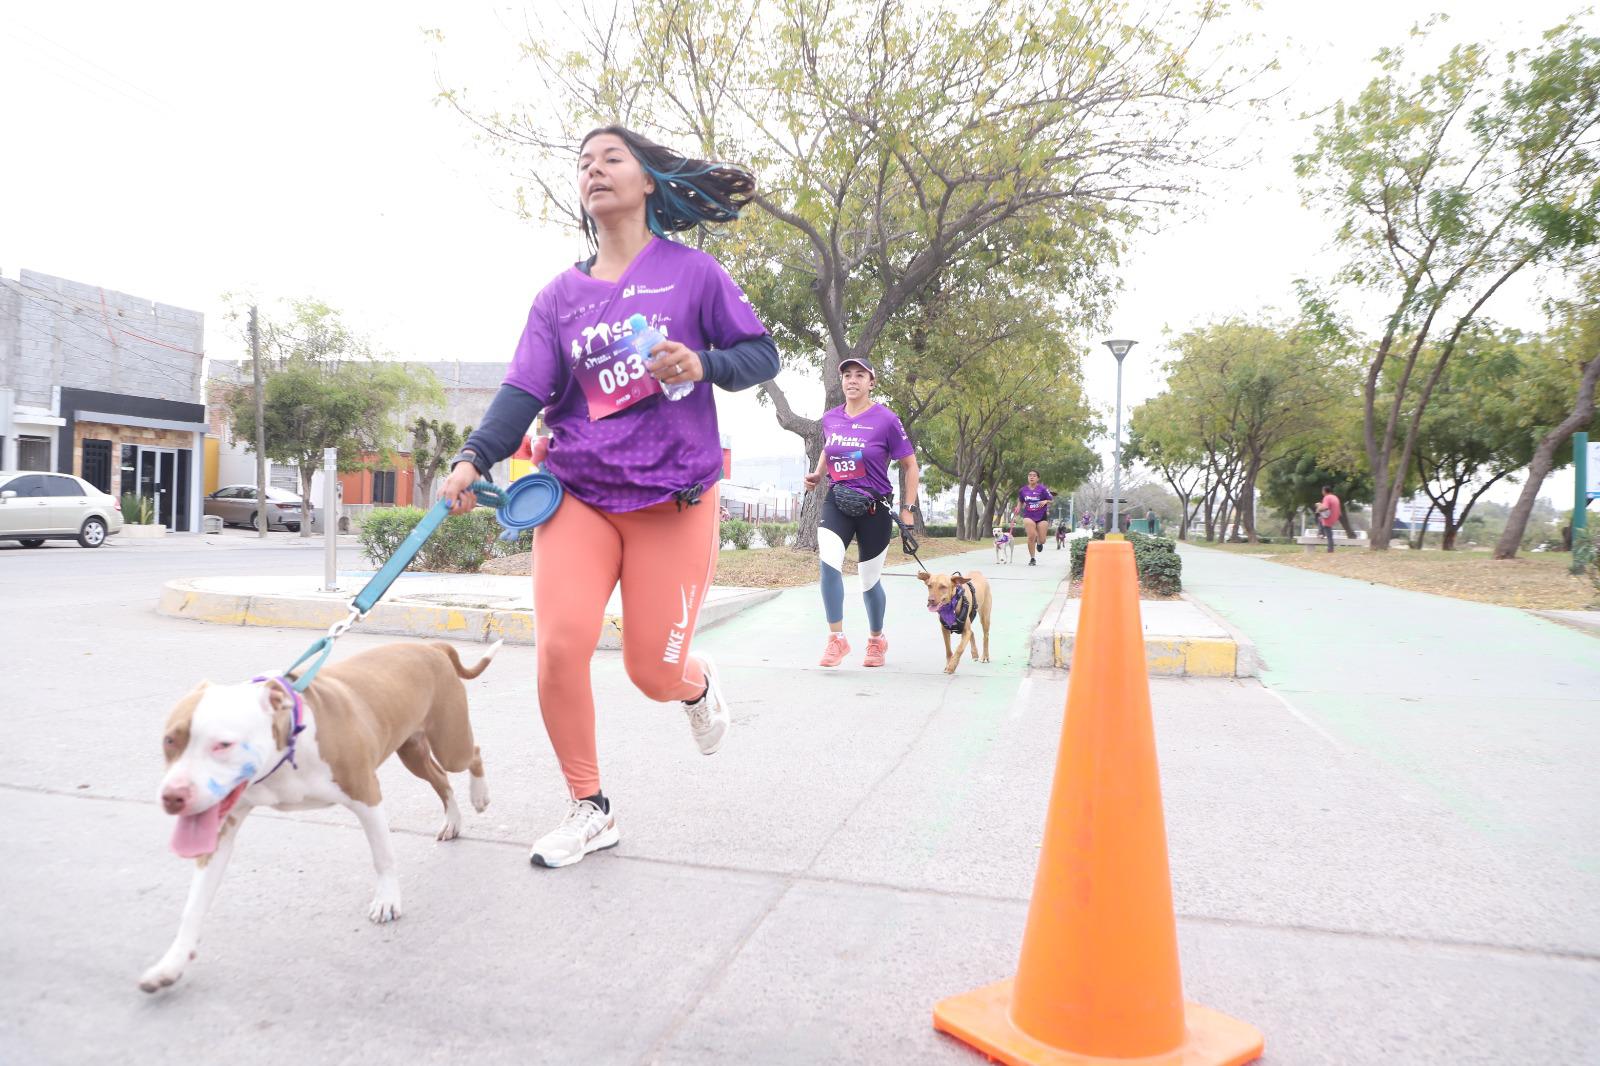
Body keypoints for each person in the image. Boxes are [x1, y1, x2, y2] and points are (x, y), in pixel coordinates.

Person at [437, 126, 780, 869]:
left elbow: (761, 355)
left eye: (611, 159)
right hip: (579, 496)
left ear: (648, 180)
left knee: (652, 673)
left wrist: (704, 360)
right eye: (584, 164)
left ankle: (696, 684)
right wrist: (473, 458)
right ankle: (589, 806)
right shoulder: (559, 298)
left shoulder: (693, 275)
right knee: (561, 647)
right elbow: (522, 391)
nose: (594, 171)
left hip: (672, 500)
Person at [802, 357, 919, 668]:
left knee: (868, 580)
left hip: (873, 507)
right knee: (828, 564)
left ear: (871, 382)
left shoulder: (887, 420)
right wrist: (817, 473)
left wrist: (908, 510)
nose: (852, 380)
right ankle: (836, 640)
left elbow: (910, 465)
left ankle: (877, 639)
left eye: (859, 375)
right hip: (837, 500)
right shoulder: (830, 418)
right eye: (847, 375)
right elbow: (831, 448)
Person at [1016, 471, 1054, 565]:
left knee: (1042, 540)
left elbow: (1051, 500)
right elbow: (1021, 501)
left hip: (1041, 515)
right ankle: (1032, 558)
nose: (1031, 477)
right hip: (1029, 515)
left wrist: (1045, 501)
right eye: (1029, 475)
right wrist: (1018, 508)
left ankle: (1039, 542)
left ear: (1038, 478)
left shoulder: (1043, 489)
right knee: (1031, 536)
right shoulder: (1023, 490)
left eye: (1034, 476)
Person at [1316, 485, 1341, 553]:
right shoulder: (1335, 497)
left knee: (1329, 535)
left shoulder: (1327, 497)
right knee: (1320, 519)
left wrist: (1318, 506)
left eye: (1322, 490)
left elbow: (1324, 507)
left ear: (1324, 491)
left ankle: (1330, 549)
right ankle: (1321, 534)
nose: (1322, 492)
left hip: (1328, 518)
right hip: (1334, 517)